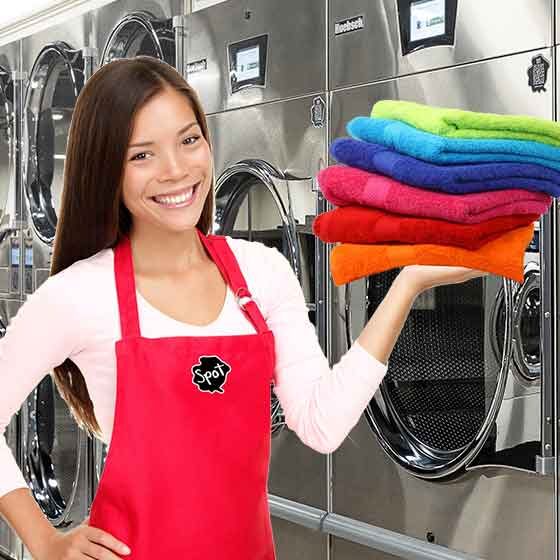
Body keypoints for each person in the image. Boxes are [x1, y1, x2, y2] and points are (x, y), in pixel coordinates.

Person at [0, 56, 486, 559]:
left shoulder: (262, 272)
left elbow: (321, 424)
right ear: (107, 170)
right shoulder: (81, 294)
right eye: (141, 155)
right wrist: (45, 541)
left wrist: (406, 286)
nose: (175, 171)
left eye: (189, 140)